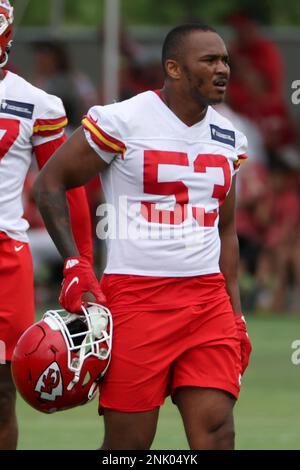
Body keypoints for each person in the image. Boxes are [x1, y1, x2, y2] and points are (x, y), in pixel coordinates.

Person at [34, 24, 252, 450]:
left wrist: (236, 314)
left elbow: (225, 229)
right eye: (209, 60)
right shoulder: (122, 120)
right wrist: (75, 263)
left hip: (207, 302)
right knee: (128, 446)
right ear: (173, 67)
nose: (222, 68)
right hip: (136, 297)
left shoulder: (230, 137)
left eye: (225, 59)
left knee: (217, 432)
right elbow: (49, 183)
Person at [0, 1, 93, 450]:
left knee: (2, 391)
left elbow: (64, 187)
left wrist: (80, 263)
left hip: (5, 253)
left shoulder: (35, 103)